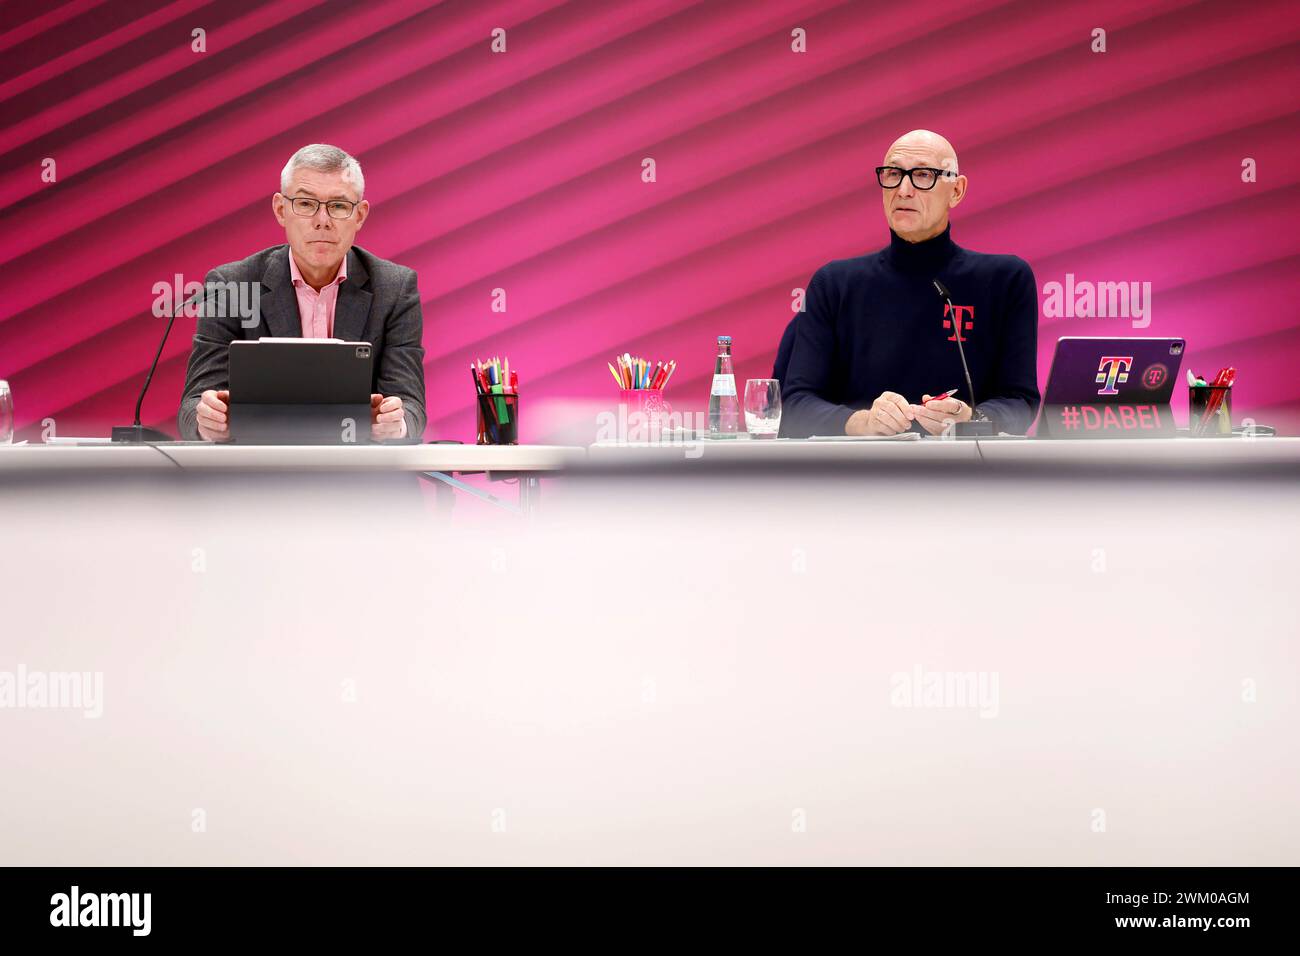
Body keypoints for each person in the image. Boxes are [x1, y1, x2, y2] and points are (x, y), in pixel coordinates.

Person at [781, 129, 1039, 437]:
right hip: (860, 476)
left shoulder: (1005, 280)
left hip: (966, 475)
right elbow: (796, 405)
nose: (903, 189)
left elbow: (1021, 401)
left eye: (923, 175)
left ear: (956, 190)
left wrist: (974, 420)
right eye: (893, 174)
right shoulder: (834, 283)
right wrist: (862, 422)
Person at [178, 144, 426, 442]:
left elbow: (411, 407)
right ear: (281, 210)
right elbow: (193, 407)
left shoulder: (395, 288)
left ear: (359, 216)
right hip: (260, 476)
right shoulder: (231, 286)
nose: (322, 220)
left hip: (359, 477)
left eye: (338, 206)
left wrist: (394, 424)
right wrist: (208, 420)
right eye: (306, 204)